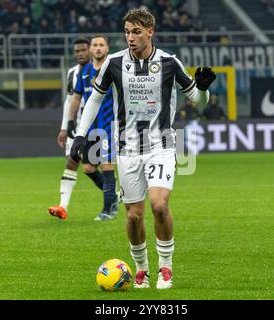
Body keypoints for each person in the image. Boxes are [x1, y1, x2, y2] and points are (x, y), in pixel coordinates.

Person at [70, 8, 216, 289]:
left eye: (136, 31)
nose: (130, 37)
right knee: (134, 214)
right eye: (127, 32)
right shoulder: (113, 63)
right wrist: (80, 134)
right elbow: (95, 100)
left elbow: (197, 101)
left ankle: (165, 268)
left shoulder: (170, 63)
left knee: (159, 205)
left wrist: (204, 88)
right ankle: (141, 269)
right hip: (127, 149)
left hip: (162, 145)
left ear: (150, 31)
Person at [67, 34, 119, 221]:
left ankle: (108, 209)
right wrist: (70, 121)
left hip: (108, 125)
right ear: (91, 49)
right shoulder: (85, 71)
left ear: (107, 49)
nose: (98, 48)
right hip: (90, 128)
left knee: (106, 165)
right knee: (88, 168)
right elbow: (77, 97)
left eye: (101, 45)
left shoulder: (113, 68)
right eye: (95, 45)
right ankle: (114, 197)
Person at [47, 37, 90, 220]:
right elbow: (69, 100)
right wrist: (65, 126)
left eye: (83, 50)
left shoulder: (102, 70)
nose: (80, 53)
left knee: (93, 167)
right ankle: (62, 206)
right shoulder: (72, 73)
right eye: (77, 51)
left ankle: (115, 196)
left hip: (99, 125)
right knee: (71, 161)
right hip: (76, 126)